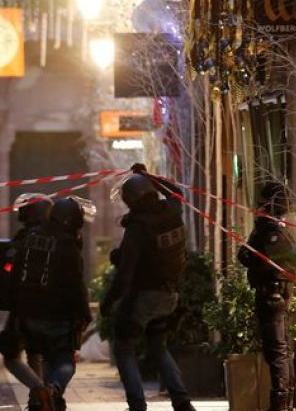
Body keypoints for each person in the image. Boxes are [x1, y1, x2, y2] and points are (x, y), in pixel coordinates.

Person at [100, 167, 196, 411]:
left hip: (145, 297)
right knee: (158, 346)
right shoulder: (172, 212)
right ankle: (181, 400)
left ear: (131, 200)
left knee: (123, 348)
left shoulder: (138, 227)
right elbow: (176, 193)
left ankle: (137, 404)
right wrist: (151, 177)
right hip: (170, 295)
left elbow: (127, 273)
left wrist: (109, 301)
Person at [12, 196, 93, 411]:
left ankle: (44, 399)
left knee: (46, 358)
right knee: (66, 361)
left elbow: (17, 271)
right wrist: (85, 314)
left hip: (30, 314)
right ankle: (52, 390)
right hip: (57, 315)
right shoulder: (68, 245)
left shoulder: (31, 237)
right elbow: (76, 286)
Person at [238, 181, 296, 411]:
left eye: (263, 203)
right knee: (283, 348)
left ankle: (280, 404)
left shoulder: (271, 228)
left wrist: (259, 228)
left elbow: (247, 256)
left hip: (271, 290)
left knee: (276, 349)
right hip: (285, 288)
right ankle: (285, 400)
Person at [0, 194, 50, 395]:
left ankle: (40, 391)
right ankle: (40, 402)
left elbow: (9, 270)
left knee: (11, 356)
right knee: (35, 354)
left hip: (24, 306)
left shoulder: (24, 239)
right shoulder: (56, 238)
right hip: (48, 306)